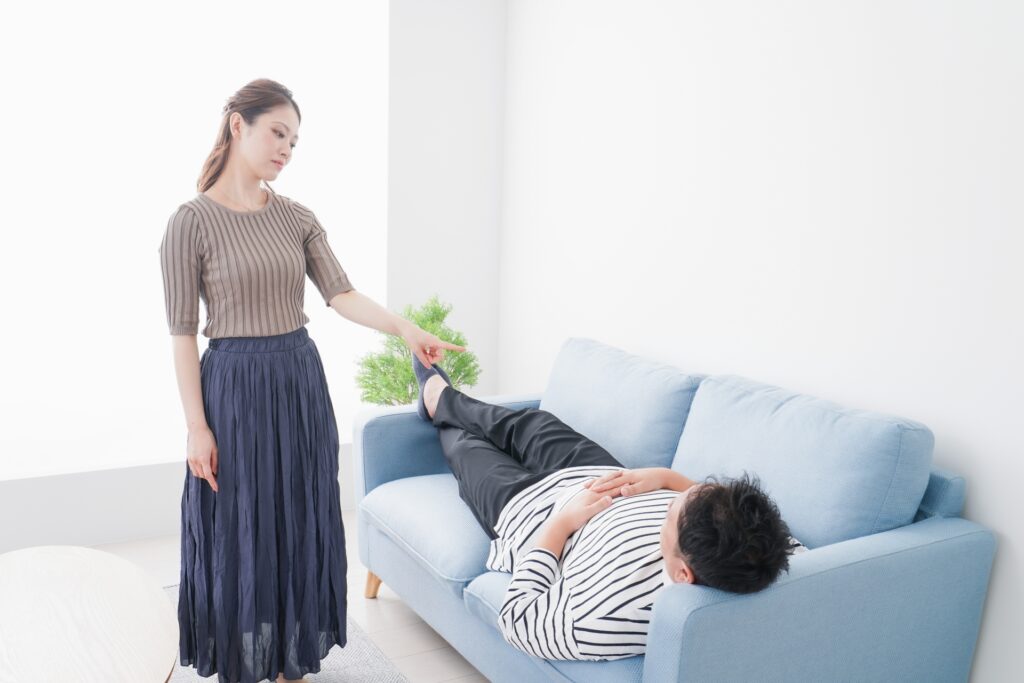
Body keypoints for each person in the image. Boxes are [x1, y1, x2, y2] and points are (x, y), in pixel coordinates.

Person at [159, 78, 464, 683]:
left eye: (294, 141)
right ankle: (245, 657)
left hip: (298, 381)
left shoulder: (297, 217)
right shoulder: (189, 222)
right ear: (238, 125)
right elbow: (182, 333)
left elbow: (341, 294)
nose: (287, 149)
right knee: (240, 523)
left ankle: (288, 658)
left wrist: (404, 328)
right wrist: (197, 426)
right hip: (234, 389)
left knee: (297, 514)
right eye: (278, 133)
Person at [411, 356, 806, 661]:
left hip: (528, 511)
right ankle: (442, 397)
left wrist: (562, 524)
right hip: (598, 471)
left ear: (682, 574)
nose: (674, 498)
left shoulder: (602, 618)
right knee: (530, 422)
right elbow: (714, 501)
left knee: (464, 446)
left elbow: (517, 619)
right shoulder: (769, 547)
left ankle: (437, 400)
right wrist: (665, 478)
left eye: (670, 514)